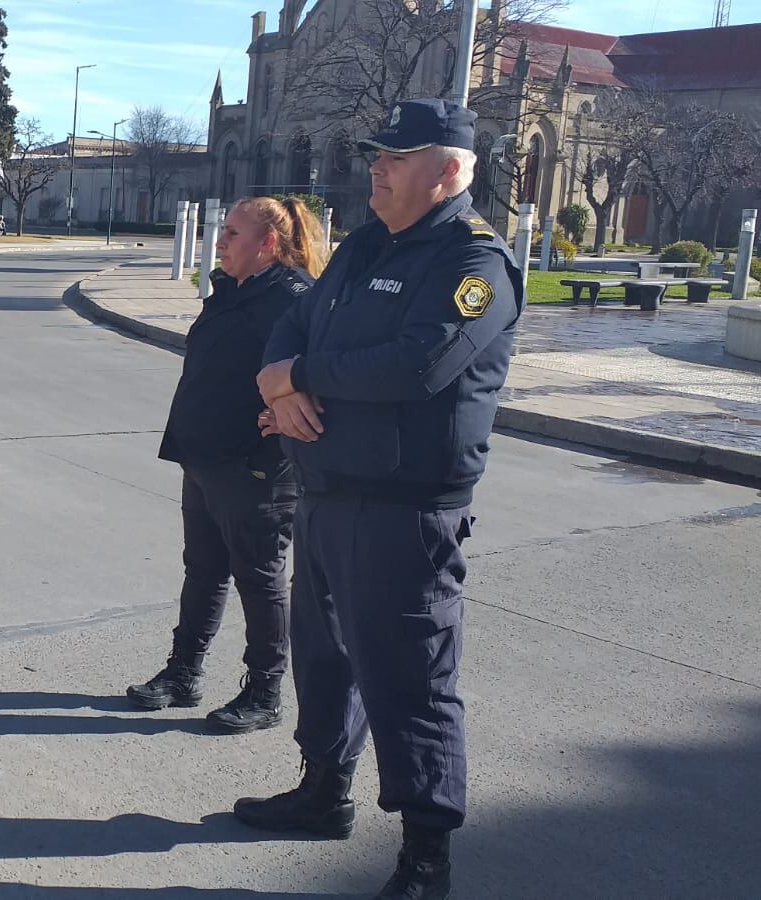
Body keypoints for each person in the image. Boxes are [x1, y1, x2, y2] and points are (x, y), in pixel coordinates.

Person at [233, 99, 524, 900]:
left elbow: (417, 364)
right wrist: (277, 377)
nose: (378, 166)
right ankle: (323, 790)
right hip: (327, 491)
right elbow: (297, 317)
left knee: (410, 682)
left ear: (451, 170)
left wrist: (300, 378)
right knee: (325, 661)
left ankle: (426, 856)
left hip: (406, 509)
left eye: (398, 156)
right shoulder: (364, 245)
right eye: (378, 153)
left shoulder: (475, 263)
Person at [126, 197, 328, 734]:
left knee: (260, 579)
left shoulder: (294, 299)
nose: (220, 241)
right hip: (206, 454)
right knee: (204, 569)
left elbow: (317, 374)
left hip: (255, 465)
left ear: (266, 244)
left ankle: (264, 692)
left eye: (232, 233)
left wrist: (282, 425)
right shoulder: (232, 290)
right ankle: (183, 673)